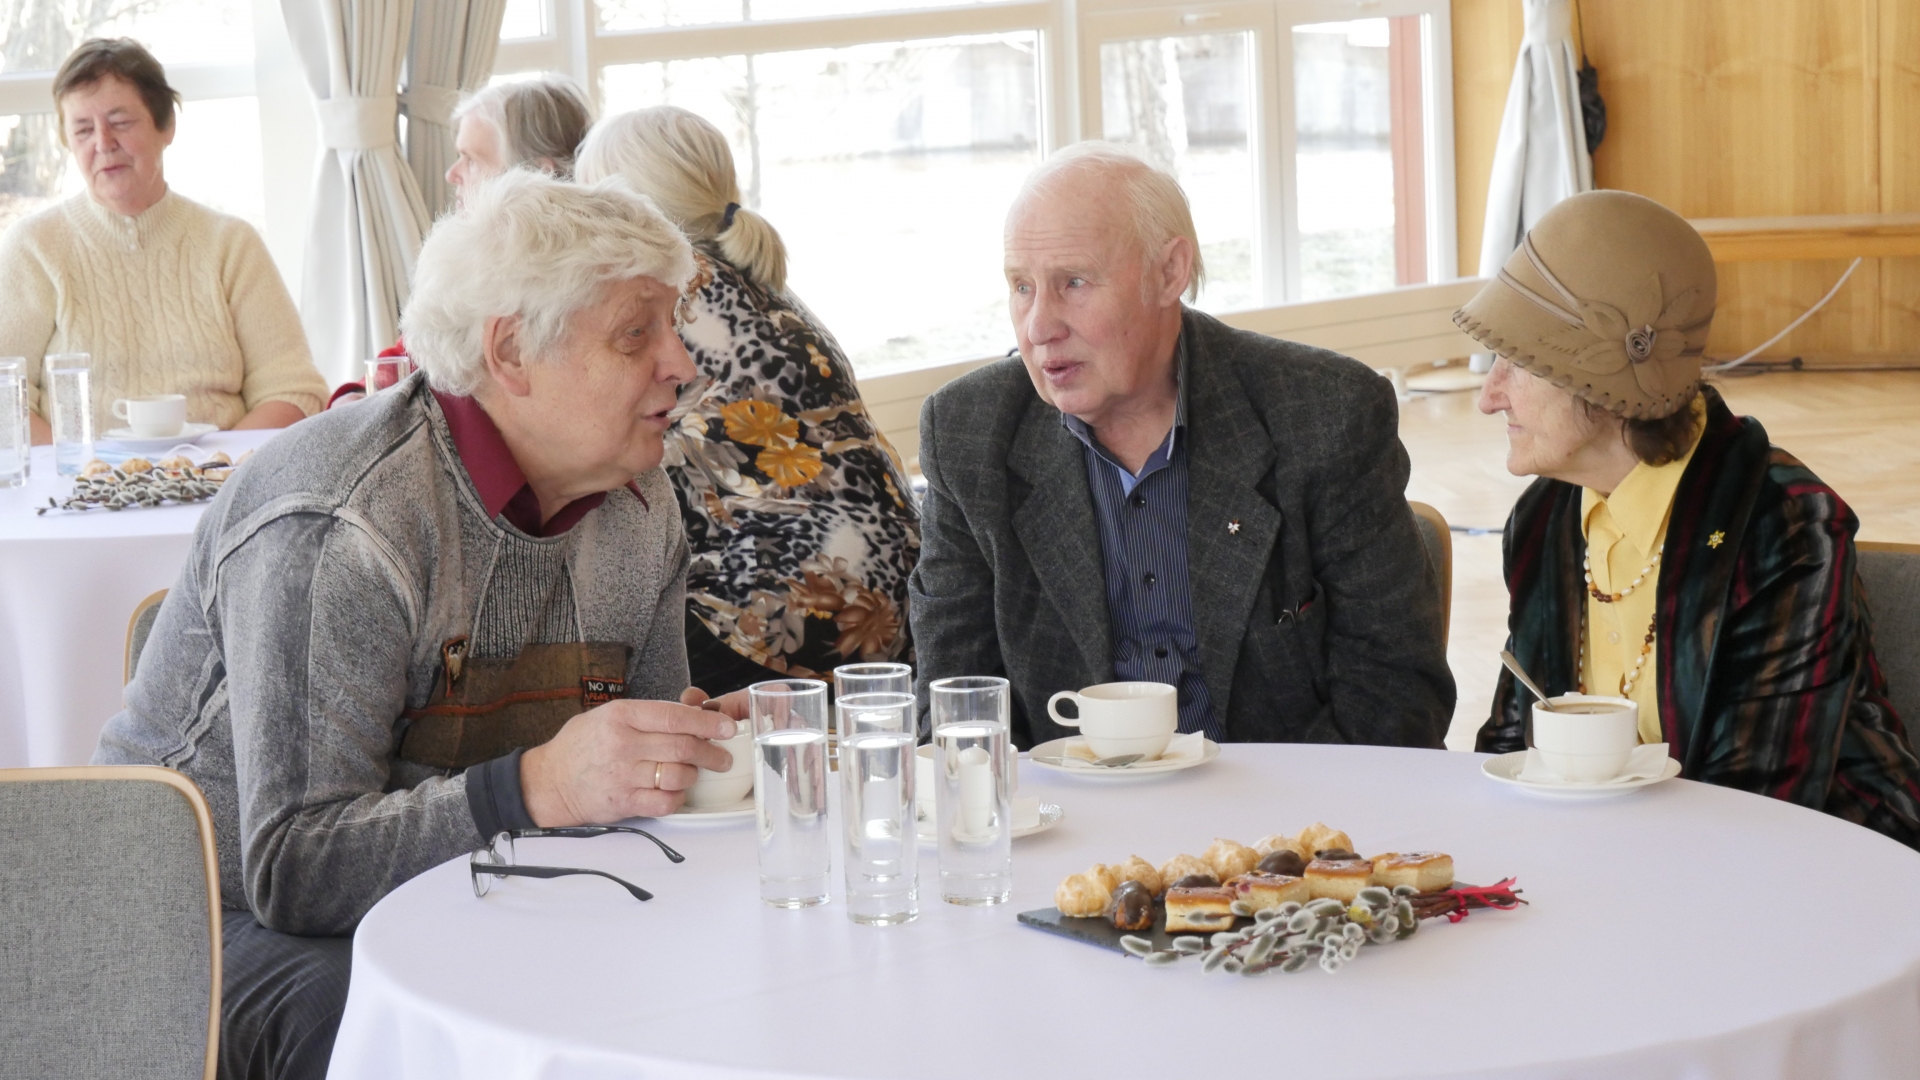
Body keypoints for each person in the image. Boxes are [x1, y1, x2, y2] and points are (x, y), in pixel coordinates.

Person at [93, 171, 745, 1079]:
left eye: (673, 326)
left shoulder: (638, 503)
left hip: (464, 885)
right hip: (195, 913)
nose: (682, 362)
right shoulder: (344, 519)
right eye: (637, 333)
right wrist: (539, 786)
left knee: (693, 955)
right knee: (364, 1012)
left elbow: (629, 813)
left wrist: (689, 752)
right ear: (511, 352)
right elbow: (293, 867)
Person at [909, 142, 1454, 749]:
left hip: (1281, 799)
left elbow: (1394, 697)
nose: (1039, 326)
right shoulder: (968, 432)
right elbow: (954, 711)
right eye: (1021, 287)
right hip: (1068, 800)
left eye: (1074, 282)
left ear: (1169, 273)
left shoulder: (1325, 414)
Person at [1463, 189, 1920, 847]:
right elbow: (1513, 748)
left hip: (1832, 868)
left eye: (1517, 362)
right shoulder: (1544, 518)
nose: (1488, 396)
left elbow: (1757, 803)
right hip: (1622, 859)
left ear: (1605, 386)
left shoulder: (1784, 528)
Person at [576, 107, 920, 693]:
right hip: (893, 588)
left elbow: (597, 445)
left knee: (585, 661)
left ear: (625, 203)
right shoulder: (753, 276)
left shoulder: (667, 292)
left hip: (790, 608)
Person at [0, 38, 324, 441]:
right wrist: (82, 470)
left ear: (166, 126)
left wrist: (215, 468)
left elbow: (293, 391)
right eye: (82, 130)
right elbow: (5, 400)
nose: (103, 143)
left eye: (120, 122)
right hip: (79, 479)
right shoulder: (33, 247)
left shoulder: (231, 244)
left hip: (227, 475)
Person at [326, 74, 595, 410]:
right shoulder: (472, 262)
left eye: (471, 160)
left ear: (539, 175)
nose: (452, 174)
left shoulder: (586, 285)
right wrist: (354, 396)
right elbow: (407, 359)